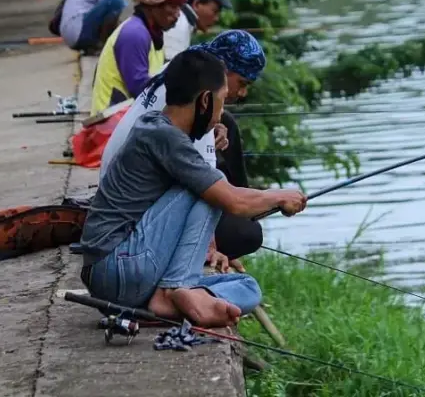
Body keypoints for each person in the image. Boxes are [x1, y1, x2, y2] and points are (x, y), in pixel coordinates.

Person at [80, 49, 307, 327]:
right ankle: (176, 289)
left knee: (247, 287)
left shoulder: (157, 128)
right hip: (117, 266)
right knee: (211, 185)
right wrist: (280, 196)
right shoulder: (164, 137)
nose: (220, 115)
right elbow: (234, 202)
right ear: (204, 101)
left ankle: (170, 297)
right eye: (221, 103)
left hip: (119, 275)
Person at [101, 29, 266, 260]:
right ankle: (242, 218)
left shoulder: (181, 69)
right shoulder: (201, 98)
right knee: (247, 234)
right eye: (242, 82)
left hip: (117, 189)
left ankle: (244, 213)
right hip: (131, 219)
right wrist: (209, 247)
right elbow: (209, 187)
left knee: (226, 121)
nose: (242, 92)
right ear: (224, 69)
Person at [90, 0, 186, 115]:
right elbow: (142, 91)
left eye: (180, 7)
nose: (178, 14)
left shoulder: (152, 35)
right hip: (111, 127)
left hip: (128, 121)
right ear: (154, 4)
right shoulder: (134, 34)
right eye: (173, 6)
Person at [163, 0, 232, 61]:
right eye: (215, 11)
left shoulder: (184, 22)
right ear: (196, 4)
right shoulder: (178, 25)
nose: (216, 18)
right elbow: (169, 70)